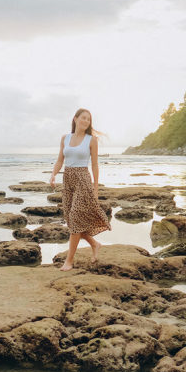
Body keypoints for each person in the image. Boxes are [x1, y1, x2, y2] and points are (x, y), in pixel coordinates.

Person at [50, 108, 109, 270]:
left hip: (83, 179)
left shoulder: (91, 140)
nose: (86, 121)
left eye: (88, 119)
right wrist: (53, 174)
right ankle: (95, 244)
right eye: (83, 118)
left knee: (75, 219)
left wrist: (95, 188)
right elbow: (60, 160)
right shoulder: (65, 138)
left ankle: (69, 261)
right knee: (71, 221)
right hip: (67, 179)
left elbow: (95, 165)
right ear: (75, 119)